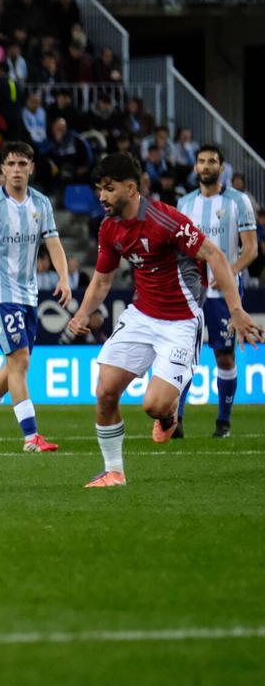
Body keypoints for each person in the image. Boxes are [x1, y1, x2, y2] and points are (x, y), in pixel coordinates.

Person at [67, 153, 263, 488]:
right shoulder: (109, 227)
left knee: (153, 406)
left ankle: (168, 414)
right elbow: (101, 280)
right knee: (104, 392)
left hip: (180, 322)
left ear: (131, 188)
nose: (102, 197)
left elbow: (214, 255)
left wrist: (236, 310)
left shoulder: (165, 220)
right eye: (100, 189)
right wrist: (82, 314)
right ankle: (114, 472)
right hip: (142, 315)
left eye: (109, 189)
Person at [0, 142, 71, 453]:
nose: (17, 170)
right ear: (2, 169)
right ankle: (31, 437)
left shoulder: (42, 204)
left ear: (31, 167)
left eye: (22, 164)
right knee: (19, 360)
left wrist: (63, 277)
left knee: (15, 365)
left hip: (28, 295)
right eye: (11, 164)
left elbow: (54, 244)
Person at [174, 144, 259, 438]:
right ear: (196, 167)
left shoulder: (239, 202)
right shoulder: (184, 204)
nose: (206, 166)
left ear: (222, 168)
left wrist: (228, 273)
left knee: (224, 357)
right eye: (201, 161)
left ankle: (223, 421)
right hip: (190, 293)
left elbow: (251, 250)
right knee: (183, 354)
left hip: (225, 295)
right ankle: (176, 420)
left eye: (212, 161)